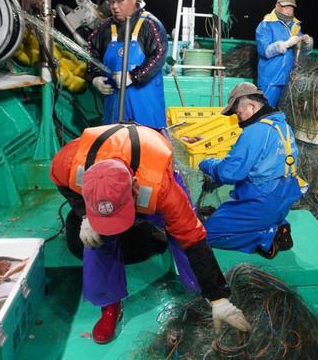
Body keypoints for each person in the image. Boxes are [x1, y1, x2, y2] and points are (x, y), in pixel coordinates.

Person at [50, 124, 250, 344]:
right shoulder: (68, 163)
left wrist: (218, 297)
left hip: (150, 168)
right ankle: (109, 305)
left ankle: (200, 292)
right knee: (96, 242)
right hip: (106, 173)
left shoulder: (163, 189)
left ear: (135, 187)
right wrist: (85, 215)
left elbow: (193, 238)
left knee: (181, 232)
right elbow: (61, 182)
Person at [198, 83, 303, 259]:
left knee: (203, 235)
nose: (238, 120)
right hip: (284, 198)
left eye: (238, 113)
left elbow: (229, 173)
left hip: (261, 202)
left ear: (251, 106)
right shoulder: (282, 125)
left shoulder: (255, 131)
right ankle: (278, 223)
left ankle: (267, 235)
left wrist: (206, 163)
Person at [88, 0, 168, 128]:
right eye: (111, 1)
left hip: (145, 109)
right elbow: (92, 52)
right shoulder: (103, 28)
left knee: (146, 148)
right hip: (114, 108)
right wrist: (95, 77)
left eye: (120, 1)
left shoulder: (150, 25)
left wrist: (133, 76)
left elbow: (159, 54)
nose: (114, 7)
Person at [256, 0, 314, 107]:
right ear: (277, 6)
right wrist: (285, 44)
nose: (289, 10)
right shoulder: (266, 25)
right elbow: (264, 51)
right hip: (270, 78)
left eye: (291, 7)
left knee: (283, 111)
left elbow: (303, 53)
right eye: (285, 6)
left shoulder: (295, 25)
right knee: (265, 109)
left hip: (289, 78)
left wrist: (307, 43)